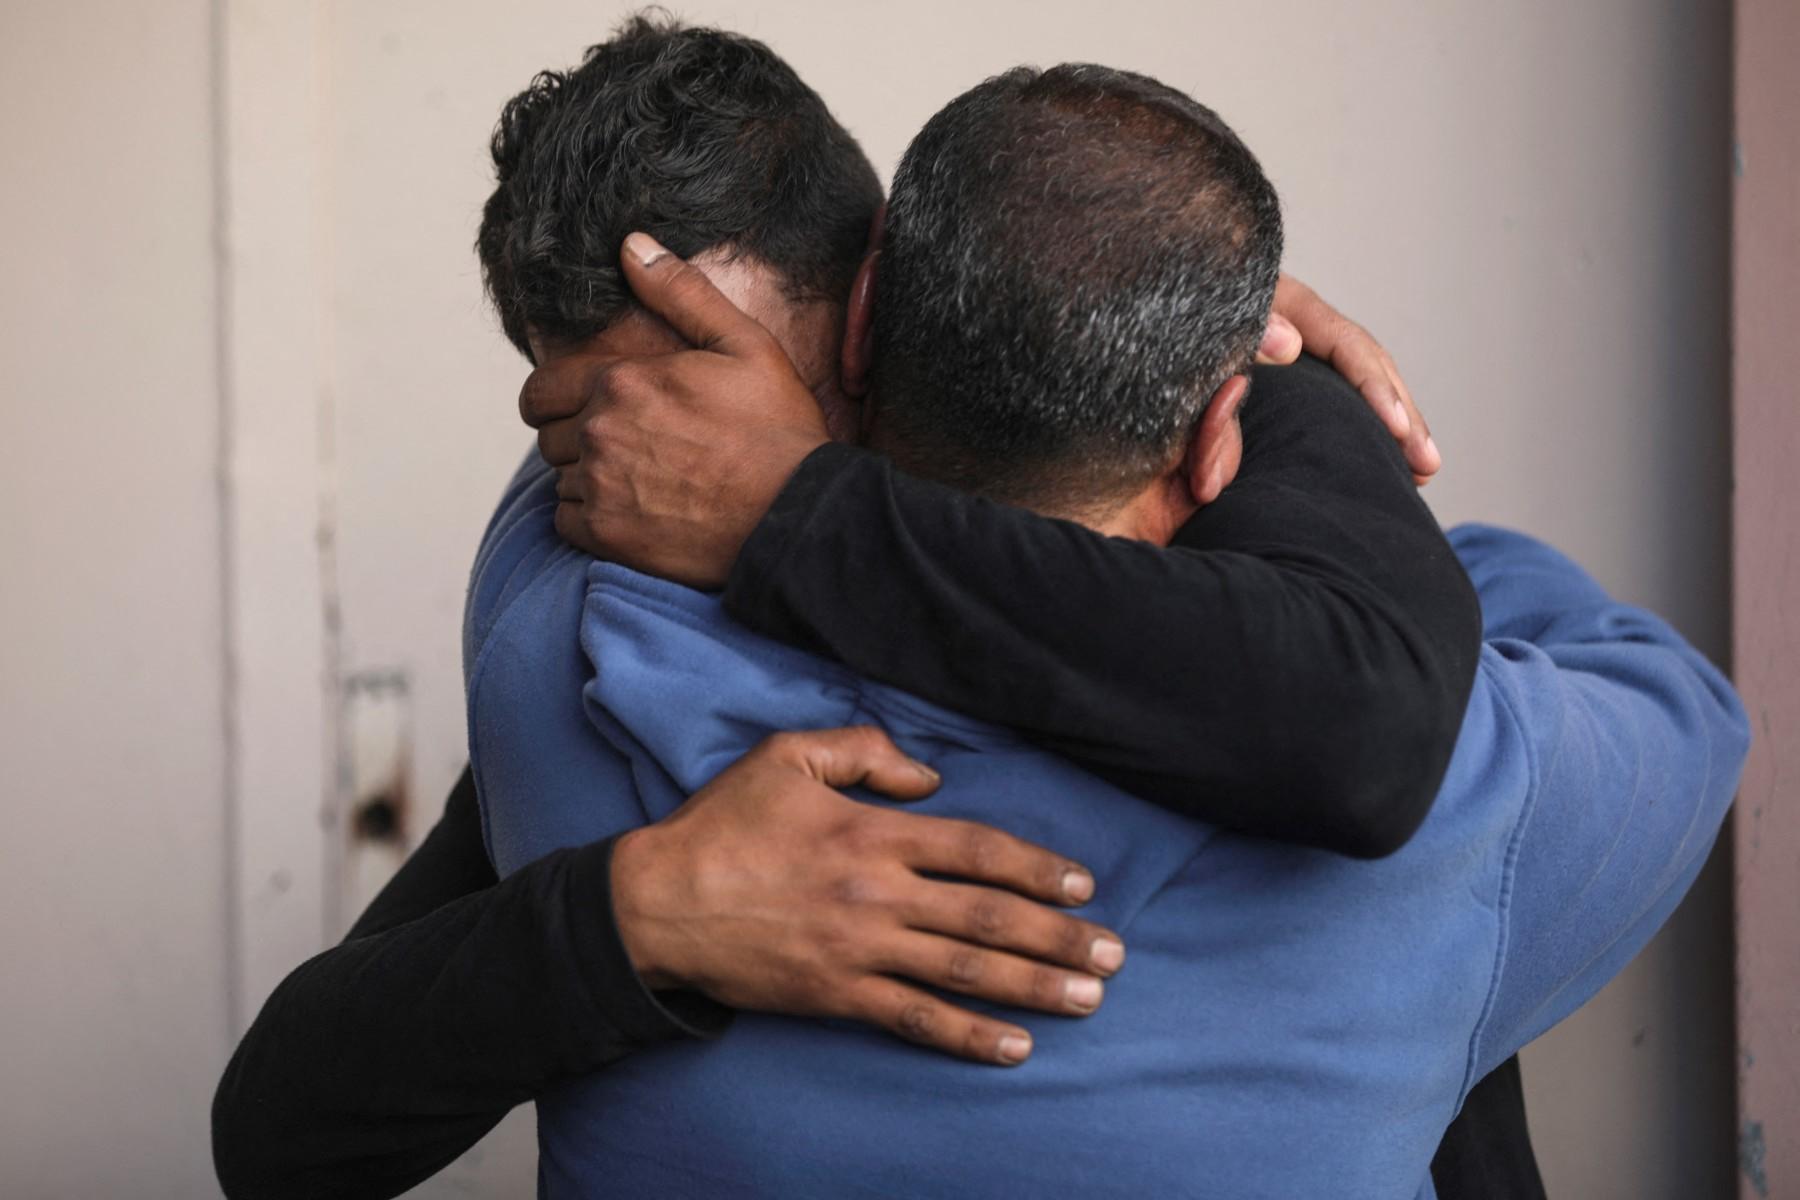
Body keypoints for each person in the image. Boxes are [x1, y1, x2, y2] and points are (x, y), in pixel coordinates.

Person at [213, 17, 1517, 1198]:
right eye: (634, 444)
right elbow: (282, 1134)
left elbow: (1375, 735)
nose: (687, 480)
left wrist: (1232, 348)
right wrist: (638, 916)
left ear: (881, 304)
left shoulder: (1205, 524)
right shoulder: (610, 665)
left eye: (745, 410)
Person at [472, 51, 1745, 1200]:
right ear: (1214, 426)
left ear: (867, 315)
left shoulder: (551, 652)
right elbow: (1662, 697)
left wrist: (785, 507)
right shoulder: (1463, 804)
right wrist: (1279, 378)